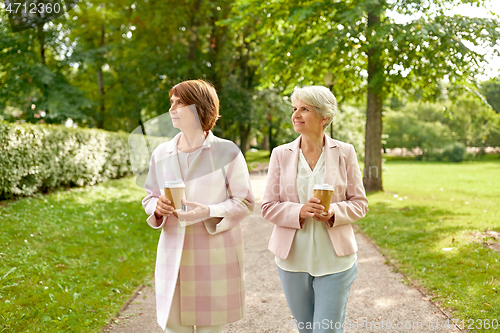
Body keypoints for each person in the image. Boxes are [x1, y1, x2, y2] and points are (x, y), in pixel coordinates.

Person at [142, 79, 254, 333]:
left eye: (179, 103)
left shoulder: (228, 152)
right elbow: (149, 196)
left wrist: (210, 211)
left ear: (199, 107)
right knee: (174, 328)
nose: (171, 109)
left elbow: (245, 201)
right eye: (171, 103)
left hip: (213, 257)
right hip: (174, 257)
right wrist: (156, 207)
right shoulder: (161, 153)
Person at [261, 86, 368, 333]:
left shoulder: (345, 152)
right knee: (306, 329)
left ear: (324, 118)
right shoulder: (280, 154)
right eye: (295, 108)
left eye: (304, 109)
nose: (296, 114)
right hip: (292, 260)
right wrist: (299, 211)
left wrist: (334, 214)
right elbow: (267, 207)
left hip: (335, 260)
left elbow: (360, 203)